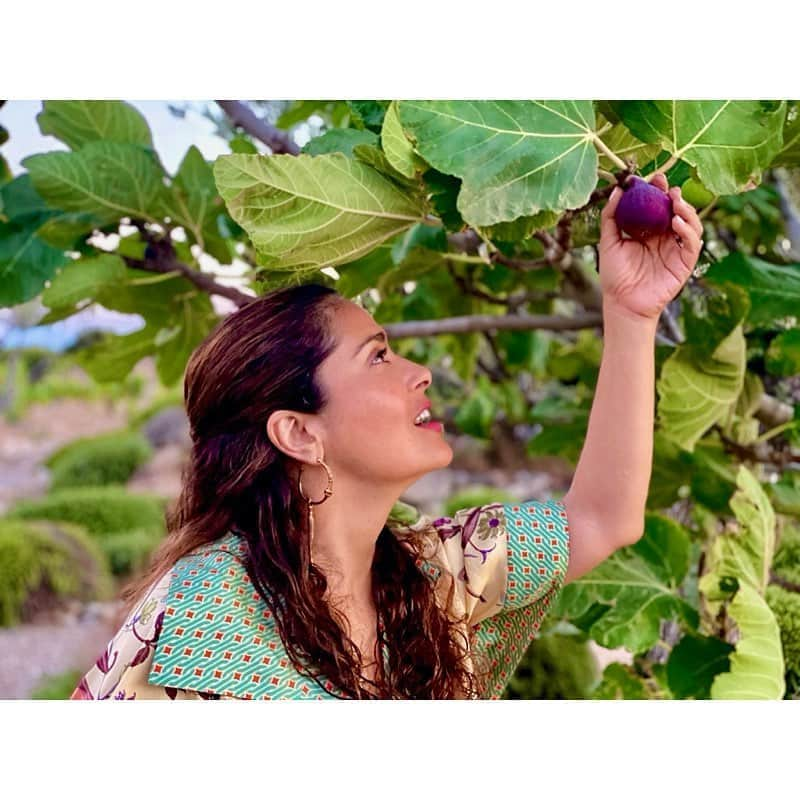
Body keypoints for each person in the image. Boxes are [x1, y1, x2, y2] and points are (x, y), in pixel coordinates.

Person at [71, 174, 703, 700]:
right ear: (297, 430)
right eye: (377, 358)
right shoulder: (203, 621)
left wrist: (630, 313)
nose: (419, 372)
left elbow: (600, 518)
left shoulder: (430, 579)